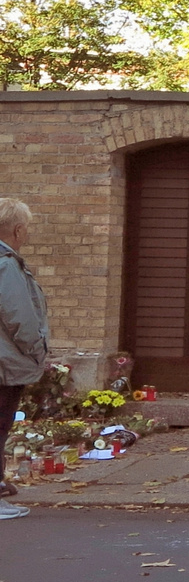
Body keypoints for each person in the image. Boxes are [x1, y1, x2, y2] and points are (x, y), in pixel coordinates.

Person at [0, 198, 48, 522]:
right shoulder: (6, 264)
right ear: (18, 230)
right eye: (26, 228)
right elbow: (19, 316)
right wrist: (37, 350)